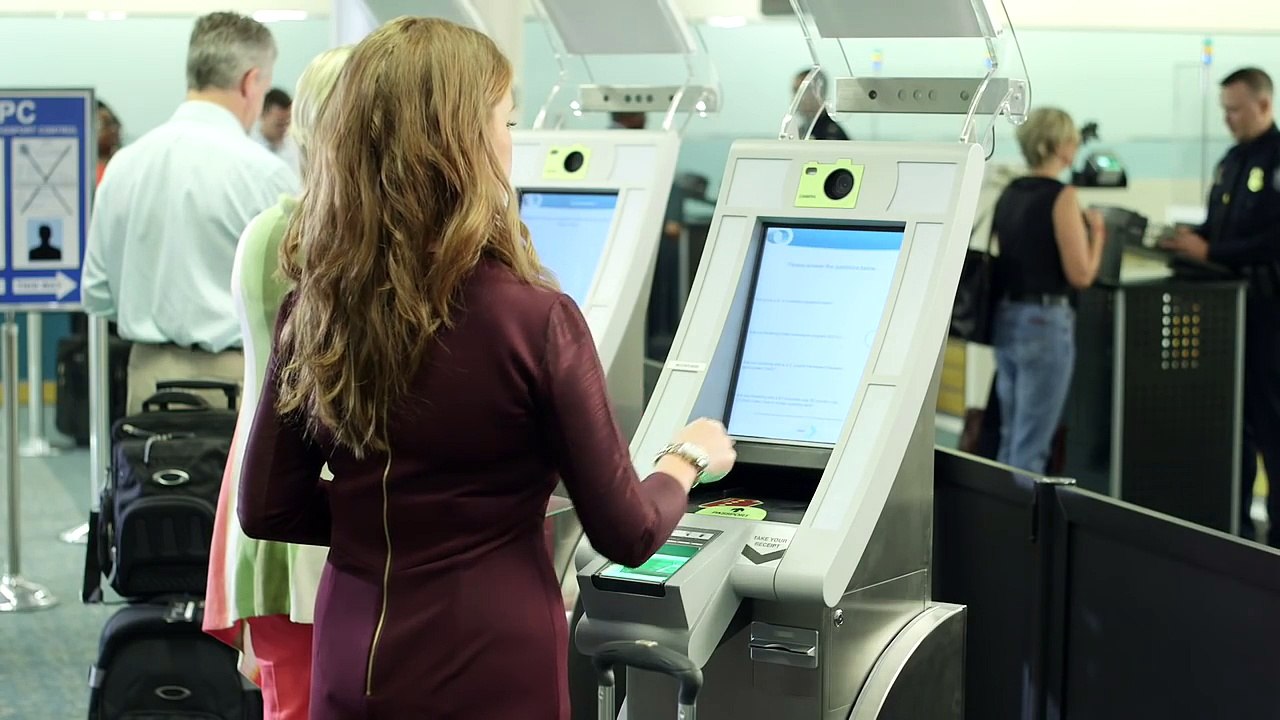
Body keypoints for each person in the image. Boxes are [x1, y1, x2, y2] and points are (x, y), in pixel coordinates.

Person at [236, 17, 736, 719]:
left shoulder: (314, 310)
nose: (512, 139)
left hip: (352, 658)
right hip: (489, 664)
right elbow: (627, 531)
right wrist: (686, 458)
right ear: (462, 143)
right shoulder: (536, 320)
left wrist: (393, 521)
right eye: (505, 119)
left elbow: (268, 507)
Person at [203, 46, 353, 720]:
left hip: (285, 505)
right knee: (297, 699)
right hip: (299, 519)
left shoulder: (279, 230)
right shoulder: (298, 240)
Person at [82, 11, 299, 413]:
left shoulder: (124, 166)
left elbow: (96, 294)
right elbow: (296, 294)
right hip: (237, 384)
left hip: (146, 383)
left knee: (150, 475)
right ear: (251, 81)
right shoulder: (265, 175)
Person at [1162, 67, 1280, 546]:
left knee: (1273, 425)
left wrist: (1212, 252)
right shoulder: (1231, 161)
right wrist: (1193, 240)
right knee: (1235, 423)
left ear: (1264, 105)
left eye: (1235, 110)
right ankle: (1236, 531)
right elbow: (1220, 226)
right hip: (1228, 315)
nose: (1229, 120)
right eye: (1224, 111)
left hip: (1271, 316)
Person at [991, 107, 1107, 474]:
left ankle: (1000, 518)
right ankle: (1024, 528)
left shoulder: (1011, 192)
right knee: (1032, 446)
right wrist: (1098, 235)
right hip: (1045, 323)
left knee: (1011, 436)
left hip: (1006, 319)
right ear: (1060, 146)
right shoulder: (1062, 196)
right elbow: (1081, 274)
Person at [254, 87, 301, 176]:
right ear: (262, 114)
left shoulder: (294, 147)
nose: (284, 129)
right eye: (279, 124)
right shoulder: (248, 144)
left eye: (287, 123)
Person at [792, 69, 850, 141]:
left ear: (816, 94)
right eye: (795, 92)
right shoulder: (803, 130)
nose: (796, 98)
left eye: (800, 92)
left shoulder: (831, 135)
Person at [96, 100, 121, 186]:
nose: (113, 130)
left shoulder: (121, 165)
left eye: (114, 123)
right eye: (106, 124)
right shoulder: (85, 172)